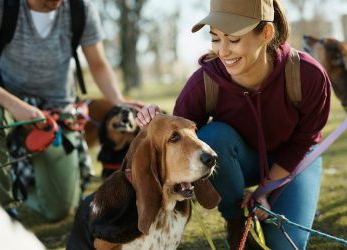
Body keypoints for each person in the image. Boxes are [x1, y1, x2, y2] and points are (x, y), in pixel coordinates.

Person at [136, 0, 331, 249]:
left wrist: (265, 190)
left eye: (234, 39)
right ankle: (236, 222)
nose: (223, 51)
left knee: (282, 245)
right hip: (239, 160)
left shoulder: (308, 75)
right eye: (216, 39)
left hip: (295, 158)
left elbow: (305, 139)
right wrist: (154, 119)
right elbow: (176, 140)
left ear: (267, 33)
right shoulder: (203, 83)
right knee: (213, 136)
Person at [0, 0, 141, 221]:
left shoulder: (81, 8)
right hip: (7, 104)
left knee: (59, 210)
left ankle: (22, 187)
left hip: (57, 112)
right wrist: (15, 105)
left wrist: (119, 102)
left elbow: (97, 64)